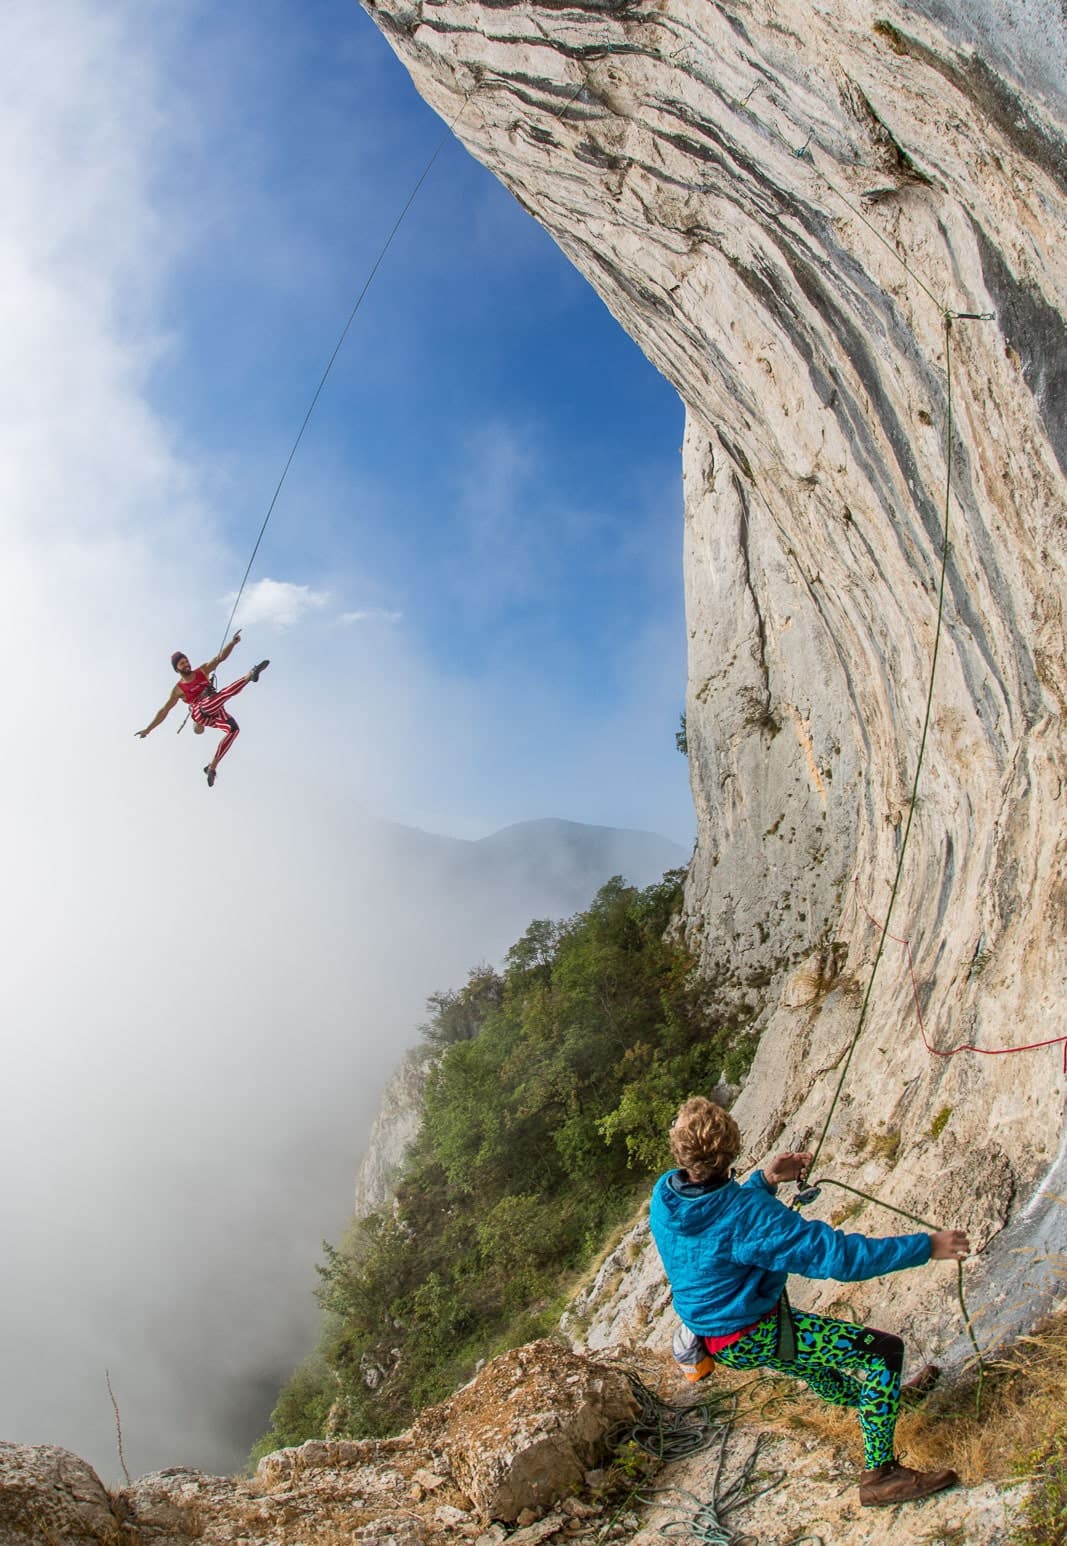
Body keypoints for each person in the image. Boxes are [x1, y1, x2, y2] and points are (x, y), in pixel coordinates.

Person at [649, 1096, 969, 1508]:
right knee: (884, 1353)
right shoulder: (749, 1215)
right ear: (731, 1150)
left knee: (812, 1364)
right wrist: (926, 1246)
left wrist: (765, 1180)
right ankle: (879, 1473)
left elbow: (717, 1221)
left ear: (682, 1152)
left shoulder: (667, 1196)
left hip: (714, 1336)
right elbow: (839, 1257)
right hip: (754, 1331)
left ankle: (884, 1403)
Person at [136, 632, 270, 787]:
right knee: (215, 699)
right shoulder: (178, 690)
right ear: (176, 669)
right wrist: (148, 729)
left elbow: (219, 658)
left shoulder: (202, 671)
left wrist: (232, 643)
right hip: (200, 712)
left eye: (186, 661)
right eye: (181, 664)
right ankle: (249, 676)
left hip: (216, 708)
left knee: (234, 729)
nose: (186, 664)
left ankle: (211, 767)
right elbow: (164, 711)